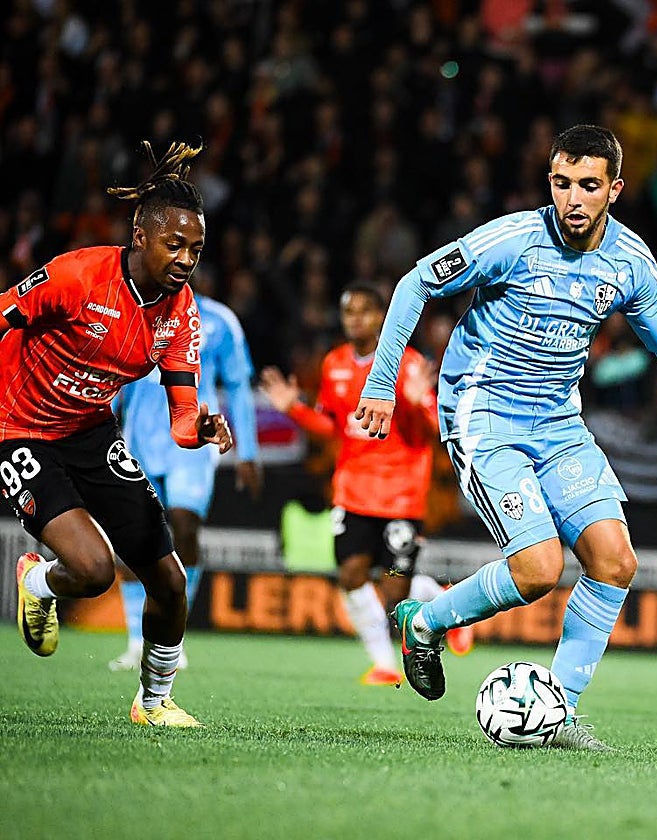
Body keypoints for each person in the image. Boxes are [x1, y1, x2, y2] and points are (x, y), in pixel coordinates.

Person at [356, 124, 657, 751]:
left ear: (615, 190)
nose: (573, 198)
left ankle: (558, 712)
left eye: (588, 186)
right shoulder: (511, 241)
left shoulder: (630, 262)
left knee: (615, 560)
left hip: (559, 425)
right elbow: (415, 284)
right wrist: (381, 385)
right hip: (483, 416)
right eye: (562, 183)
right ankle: (424, 621)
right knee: (539, 569)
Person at [1, 141, 232, 727]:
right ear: (139, 235)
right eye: (174, 244)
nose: (185, 259)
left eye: (196, 249)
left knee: (170, 579)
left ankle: (154, 704)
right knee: (94, 571)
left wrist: (199, 426)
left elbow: (181, 419)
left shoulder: (181, 313)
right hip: (19, 429)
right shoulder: (77, 277)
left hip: (90, 430)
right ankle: (40, 579)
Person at [260, 283, 471, 687]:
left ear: (382, 317)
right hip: (353, 492)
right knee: (352, 576)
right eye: (348, 311)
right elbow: (333, 427)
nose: (355, 318)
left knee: (395, 594)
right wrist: (295, 409)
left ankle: (448, 603)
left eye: (364, 311)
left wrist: (416, 402)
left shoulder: (408, 365)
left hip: (400, 496)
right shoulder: (334, 363)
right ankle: (383, 664)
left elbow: (435, 431)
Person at [108, 272, 263, 672]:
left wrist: (248, 450)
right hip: (138, 440)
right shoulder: (133, 311)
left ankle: (171, 636)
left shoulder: (219, 321)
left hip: (192, 444)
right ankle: (133, 640)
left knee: (185, 526)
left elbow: (239, 385)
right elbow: (112, 381)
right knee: (134, 536)